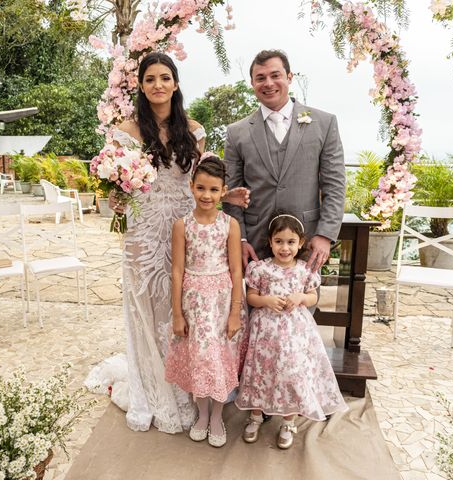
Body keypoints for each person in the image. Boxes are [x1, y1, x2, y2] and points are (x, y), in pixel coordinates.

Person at [108, 52, 249, 434]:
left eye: (165, 77)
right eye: (150, 78)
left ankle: (193, 387)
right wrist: (113, 195)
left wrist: (226, 197)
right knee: (148, 310)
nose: (158, 85)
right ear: (141, 85)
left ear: (176, 83)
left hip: (188, 227)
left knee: (185, 308)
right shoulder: (127, 130)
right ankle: (153, 392)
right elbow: (117, 186)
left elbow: (203, 180)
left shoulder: (195, 129)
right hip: (145, 230)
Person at [223, 49, 346, 272]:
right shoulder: (236, 132)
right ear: (252, 83)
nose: (268, 83)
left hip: (306, 241)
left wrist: (325, 235)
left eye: (275, 75)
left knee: (303, 305)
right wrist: (239, 239)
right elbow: (232, 193)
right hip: (255, 242)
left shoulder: (324, 123)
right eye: (260, 78)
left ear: (289, 77)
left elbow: (334, 184)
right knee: (255, 305)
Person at [235, 213, 348, 449]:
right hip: (265, 333)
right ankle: (256, 416)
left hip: (294, 334)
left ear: (300, 243)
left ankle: (288, 421)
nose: (284, 248)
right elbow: (252, 296)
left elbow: (312, 296)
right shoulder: (260, 269)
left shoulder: (304, 270)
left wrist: (300, 297)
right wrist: (266, 300)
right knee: (261, 373)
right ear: (270, 241)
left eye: (290, 242)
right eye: (279, 241)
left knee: (292, 373)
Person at [164, 154, 245, 448]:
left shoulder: (230, 225)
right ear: (191, 186)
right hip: (194, 302)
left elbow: (237, 269)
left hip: (222, 301)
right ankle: (202, 414)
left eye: (213, 189)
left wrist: (235, 312)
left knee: (219, 359)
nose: (206, 195)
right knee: (200, 358)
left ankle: (217, 416)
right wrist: (177, 314)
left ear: (224, 190)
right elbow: (176, 270)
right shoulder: (182, 225)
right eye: (201, 188)